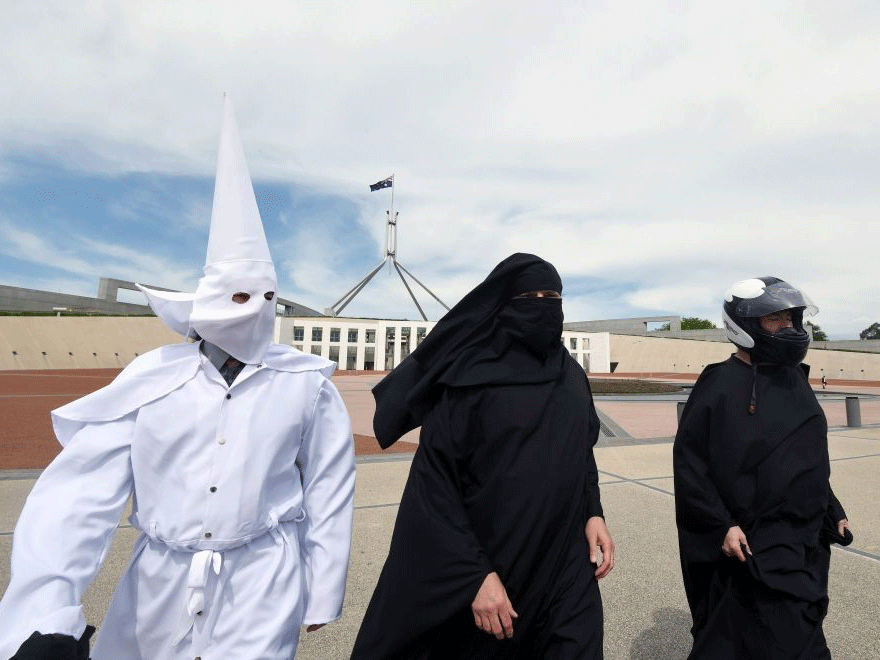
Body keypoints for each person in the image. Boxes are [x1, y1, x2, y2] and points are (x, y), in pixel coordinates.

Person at [0, 96, 356, 660]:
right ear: (209, 301)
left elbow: (330, 489)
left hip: (263, 581)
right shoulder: (152, 380)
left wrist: (322, 590)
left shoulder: (308, 385)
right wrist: (44, 611)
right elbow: (77, 495)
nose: (255, 309)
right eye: (239, 296)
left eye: (267, 295)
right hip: (159, 584)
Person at [350, 253, 614, 660]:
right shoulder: (468, 380)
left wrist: (593, 511)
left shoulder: (570, 375)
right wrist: (474, 576)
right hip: (495, 566)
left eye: (553, 296)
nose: (543, 305)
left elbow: (580, 453)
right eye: (531, 296)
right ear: (505, 304)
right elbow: (434, 488)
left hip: (565, 568)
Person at [674, 276, 852, 660]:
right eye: (775, 319)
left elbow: (806, 457)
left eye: (790, 317)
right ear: (745, 324)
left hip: (804, 539)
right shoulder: (718, 384)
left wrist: (832, 508)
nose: (786, 327)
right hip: (749, 543)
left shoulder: (793, 380)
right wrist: (717, 524)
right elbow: (690, 465)